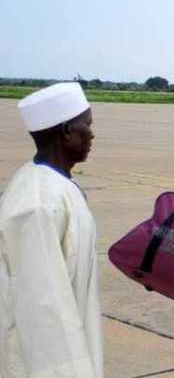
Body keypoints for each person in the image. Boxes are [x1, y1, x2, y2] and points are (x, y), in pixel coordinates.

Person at [0, 83, 101, 378]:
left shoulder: (54, 184)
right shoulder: (38, 203)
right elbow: (44, 309)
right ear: (67, 131)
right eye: (87, 125)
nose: (92, 134)